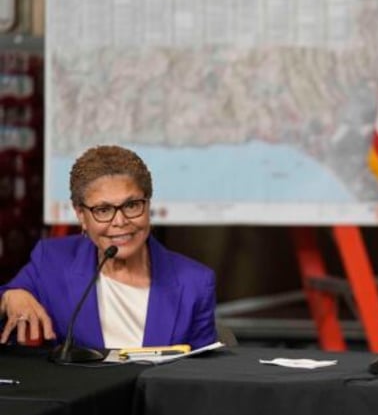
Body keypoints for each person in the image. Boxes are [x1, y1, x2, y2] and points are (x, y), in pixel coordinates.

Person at [0, 145, 217, 350]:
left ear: (148, 205)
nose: (120, 221)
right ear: (81, 216)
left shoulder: (195, 282)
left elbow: (200, 374)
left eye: (132, 206)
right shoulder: (52, 260)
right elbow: (9, 301)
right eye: (103, 210)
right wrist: (11, 296)